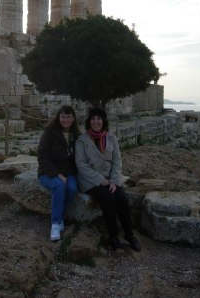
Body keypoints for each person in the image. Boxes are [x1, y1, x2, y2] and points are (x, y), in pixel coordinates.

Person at [75, 107, 141, 252]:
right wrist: (101, 180)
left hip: (110, 179)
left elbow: (117, 161)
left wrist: (114, 181)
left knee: (122, 198)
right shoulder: (82, 140)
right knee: (108, 199)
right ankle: (113, 236)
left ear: (103, 121)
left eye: (98, 119)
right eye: (93, 119)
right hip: (90, 180)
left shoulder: (112, 138)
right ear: (89, 121)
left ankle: (129, 235)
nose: (96, 121)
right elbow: (81, 165)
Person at [38, 105, 80, 242]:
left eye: (68, 116)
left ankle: (60, 216)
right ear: (58, 117)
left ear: (73, 118)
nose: (65, 119)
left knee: (72, 188)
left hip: (69, 172)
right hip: (49, 172)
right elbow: (42, 156)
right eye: (63, 116)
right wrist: (56, 174)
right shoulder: (49, 132)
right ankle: (55, 223)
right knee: (59, 186)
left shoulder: (76, 134)